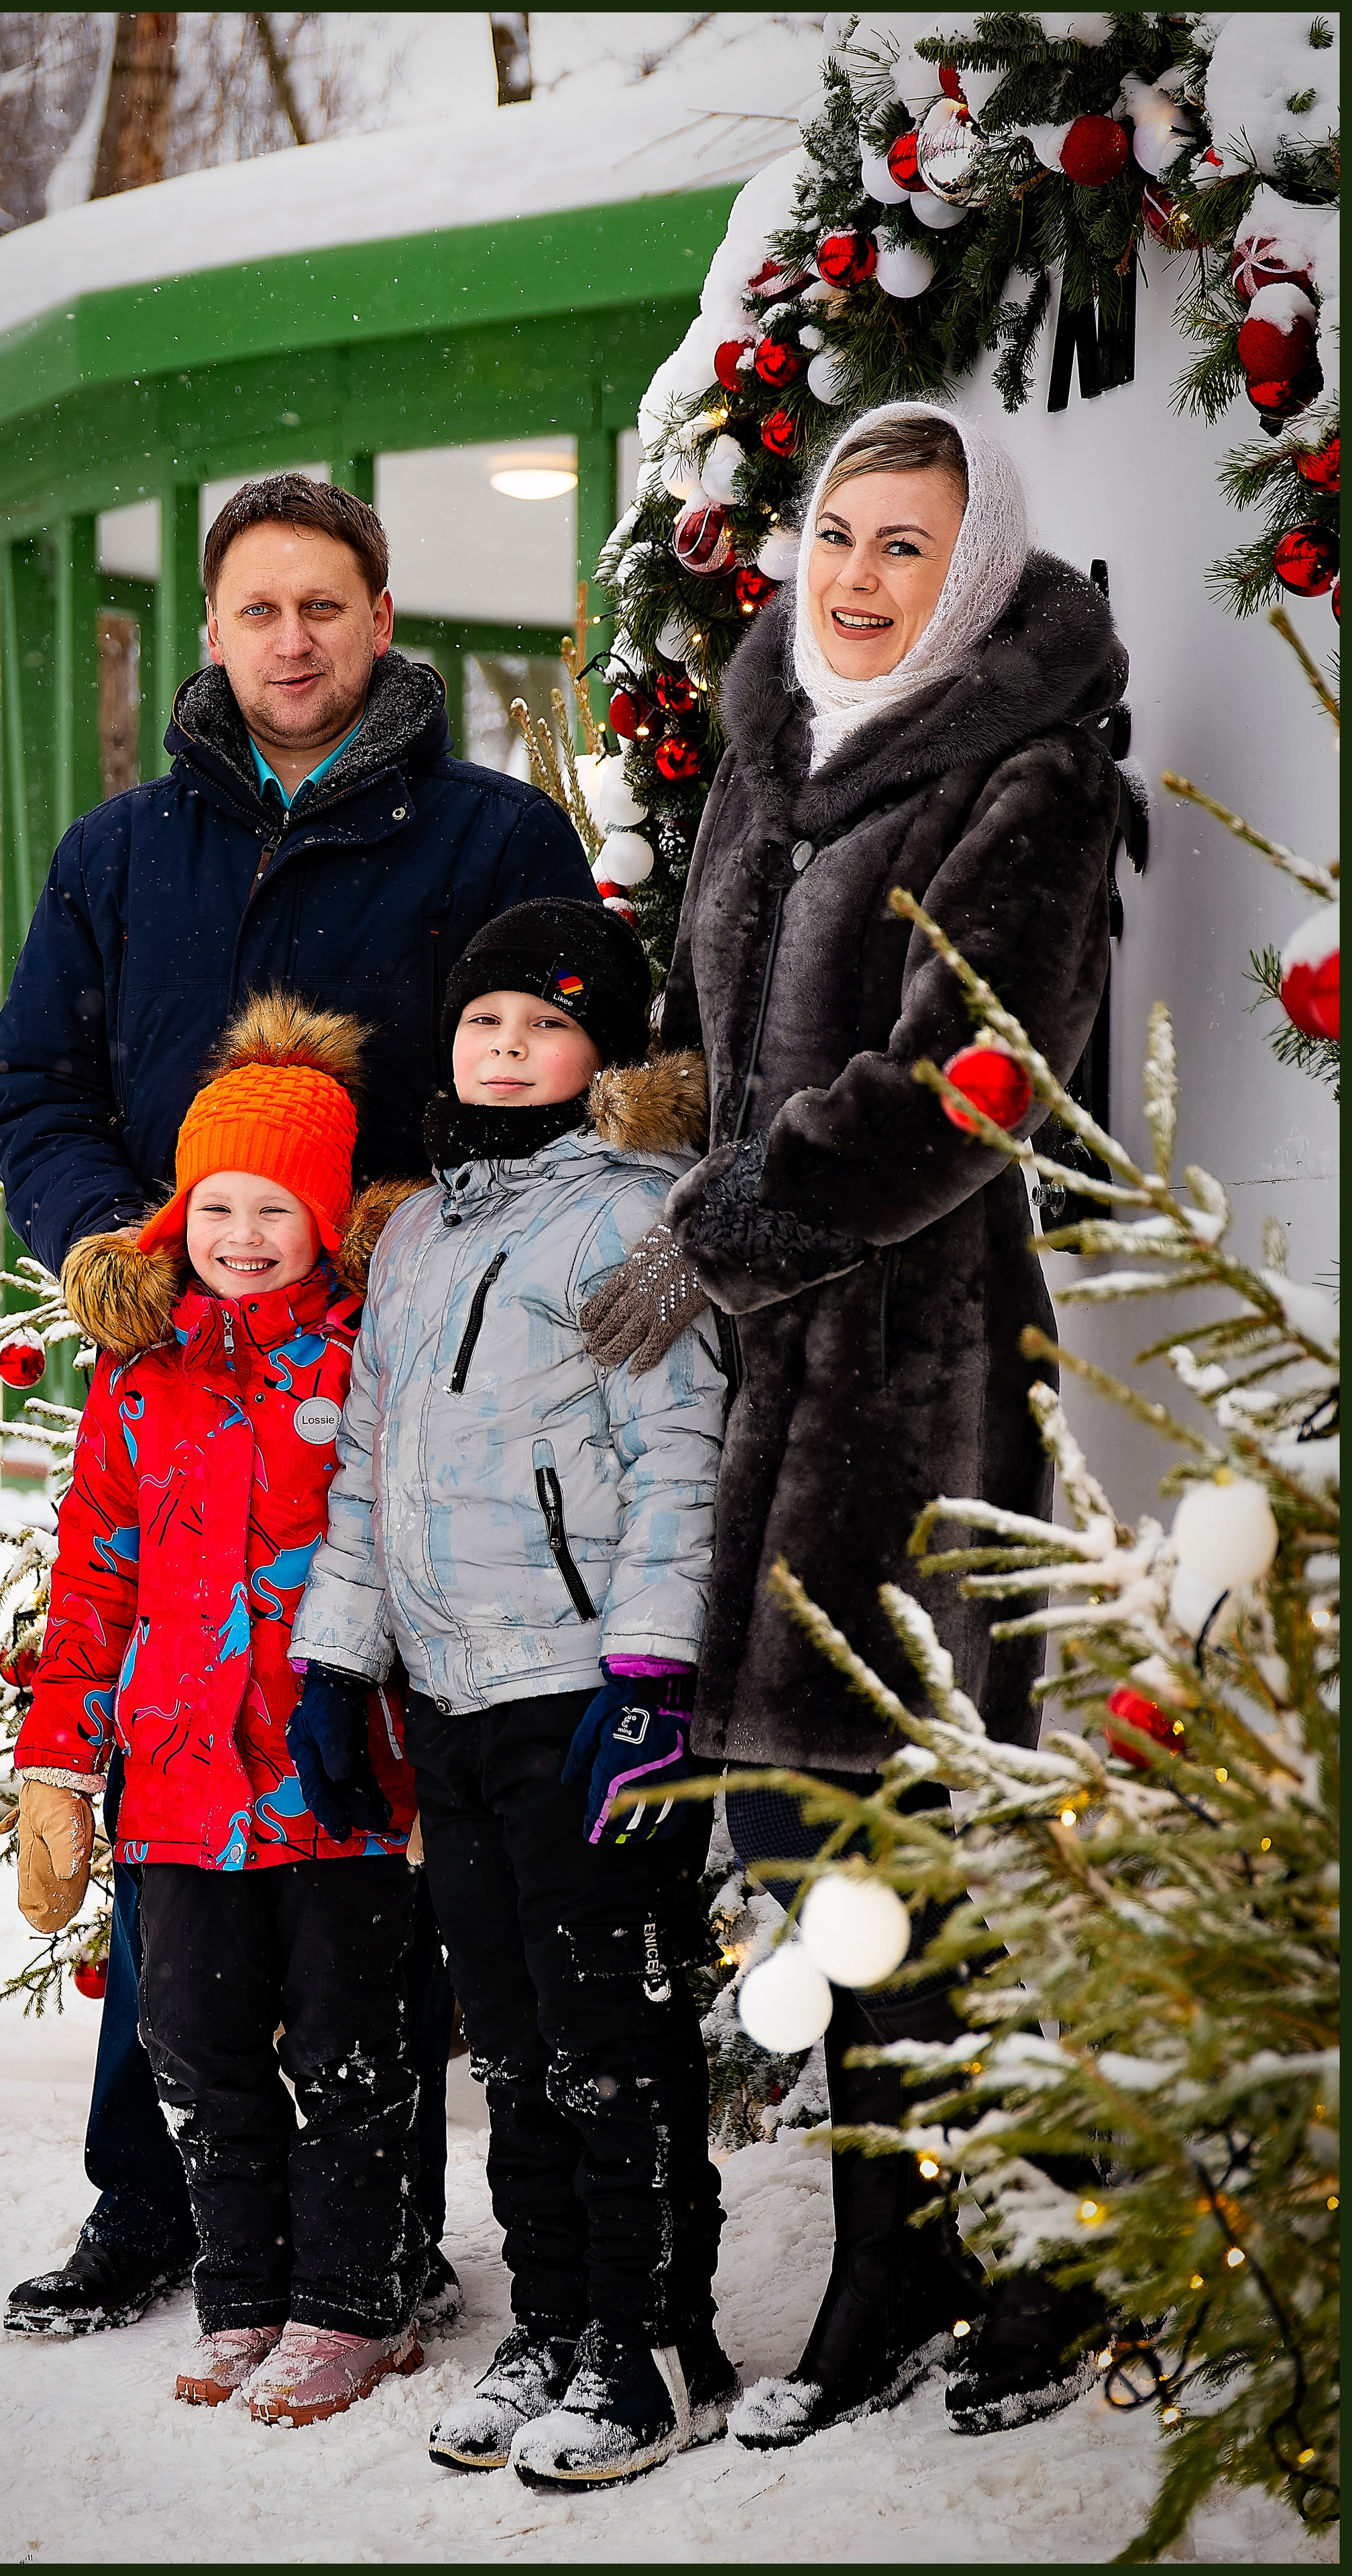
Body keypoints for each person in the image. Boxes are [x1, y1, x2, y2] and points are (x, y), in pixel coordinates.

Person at [0, 472, 598, 2337]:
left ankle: (368, 2230)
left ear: (382, 616)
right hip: (184, 1396)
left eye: (326, 604)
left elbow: (555, 1060)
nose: (294, 640)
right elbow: (36, 1080)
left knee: (362, 1802)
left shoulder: (491, 838)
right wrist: (116, 1243)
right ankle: (150, 2199)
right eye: (259, 608)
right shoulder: (119, 858)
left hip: (401, 1397)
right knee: (181, 1784)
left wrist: (436, 1248)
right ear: (218, 631)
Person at [582, 404, 1127, 2447]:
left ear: (973, 572)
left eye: (909, 546)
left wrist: (735, 1217)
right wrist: (656, 1150)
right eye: (838, 535)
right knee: (819, 1849)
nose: (860, 577)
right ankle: (907, 2260)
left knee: (916, 1838)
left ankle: (1020, 2256)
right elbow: (726, 1043)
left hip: (919, 1369)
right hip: (755, 1381)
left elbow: (978, 1081)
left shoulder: (1030, 772)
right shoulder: (769, 752)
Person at [290, 898, 738, 2489]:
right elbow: (362, 1463)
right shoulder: (410, 1234)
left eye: (541, 1024)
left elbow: (679, 1451)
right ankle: (550, 2317)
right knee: (512, 2038)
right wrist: (337, 1662)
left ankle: (651, 2338)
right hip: (449, 1691)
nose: (504, 1047)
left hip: (577, 1688)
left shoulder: (641, 1220)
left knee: (607, 2021)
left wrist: (650, 1673)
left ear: (600, 1054)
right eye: (484, 1020)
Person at [12, 996, 442, 2424]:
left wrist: (428, 1760)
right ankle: (246, 2292)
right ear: (179, 1214)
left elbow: (410, 1553)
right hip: (183, 1785)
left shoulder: (371, 1361)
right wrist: (59, 1767)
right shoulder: (143, 1384)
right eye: (217, 1206)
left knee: (347, 2048)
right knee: (192, 2045)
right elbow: (94, 1581)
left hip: (335, 1776)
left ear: (326, 1220)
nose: (243, 1235)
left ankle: (353, 2304)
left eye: (275, 1208)